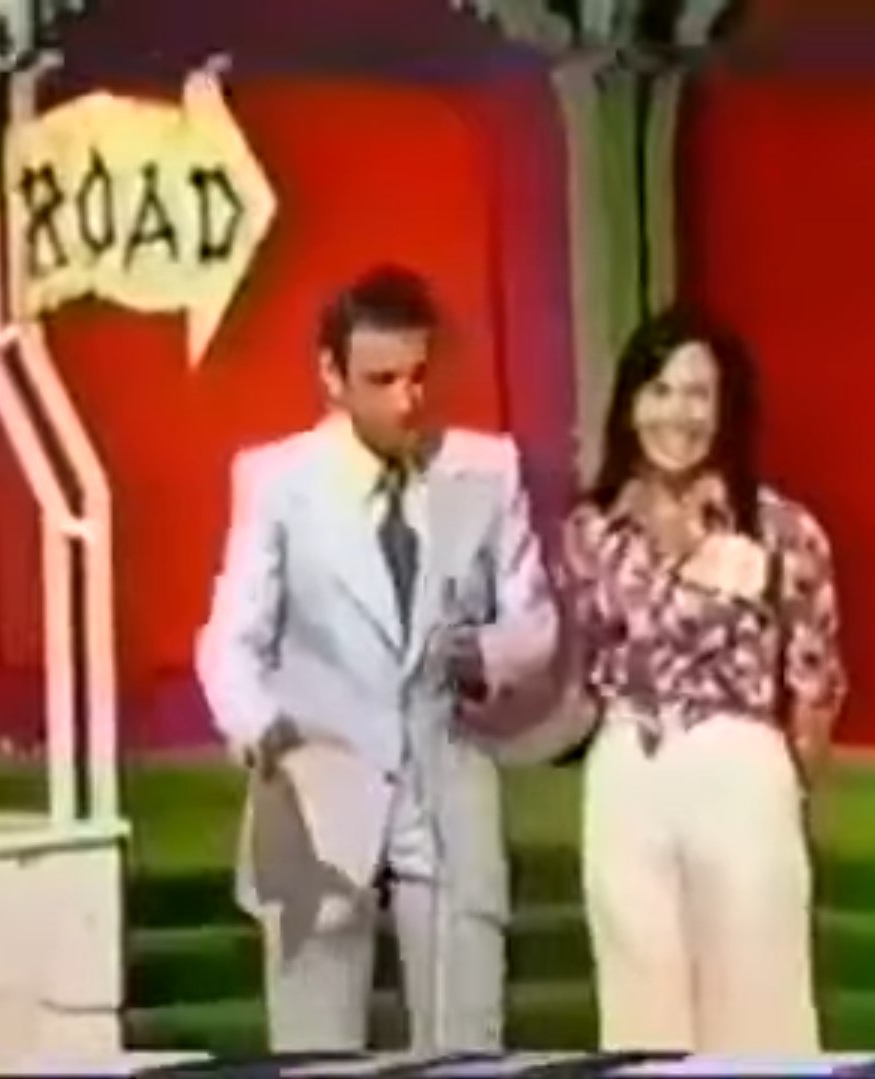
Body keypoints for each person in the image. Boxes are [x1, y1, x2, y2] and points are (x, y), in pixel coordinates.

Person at [196, 265, 558, 1053]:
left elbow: (536, 622)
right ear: (331, 376)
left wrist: (485, 653)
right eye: (381, 379)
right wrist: (265, 733)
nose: (407, 401)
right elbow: (231, 641)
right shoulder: (277, 481)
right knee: (313, 1049)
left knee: (466, 1045)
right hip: (318, 792)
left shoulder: (487, 471)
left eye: (420, 376)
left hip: (446, 790)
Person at [558, 308, 847, 1053]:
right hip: (626, 770)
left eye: (696, 393)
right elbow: (583, 657)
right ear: (628, 403)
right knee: (637, 999)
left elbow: (815, 679)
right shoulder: (590, 530)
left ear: (724, 409)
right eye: (657, 390)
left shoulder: (781, 530)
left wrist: (784, 788)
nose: (676, 413)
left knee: (758, 997)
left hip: (740, 769)